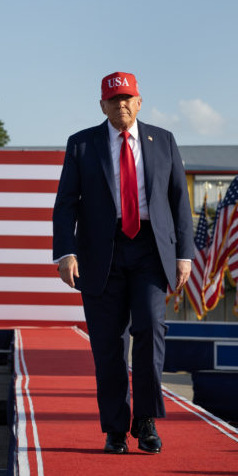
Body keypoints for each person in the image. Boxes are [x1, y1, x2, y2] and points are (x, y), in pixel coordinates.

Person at [52, 71, 194, 455]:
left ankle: (145, 421)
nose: (122, 105)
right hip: (102, 252)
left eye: (128, 98)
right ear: (103, 105)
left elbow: (180, 199)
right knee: (108, 344)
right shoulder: (82, 144)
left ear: (140, 101)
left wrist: (185, 254)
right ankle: (115, 428)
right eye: (114, 100)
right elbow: (66, 203)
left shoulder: (162, 141)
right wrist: (66, 253)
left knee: (149, 329)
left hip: (150, 249)